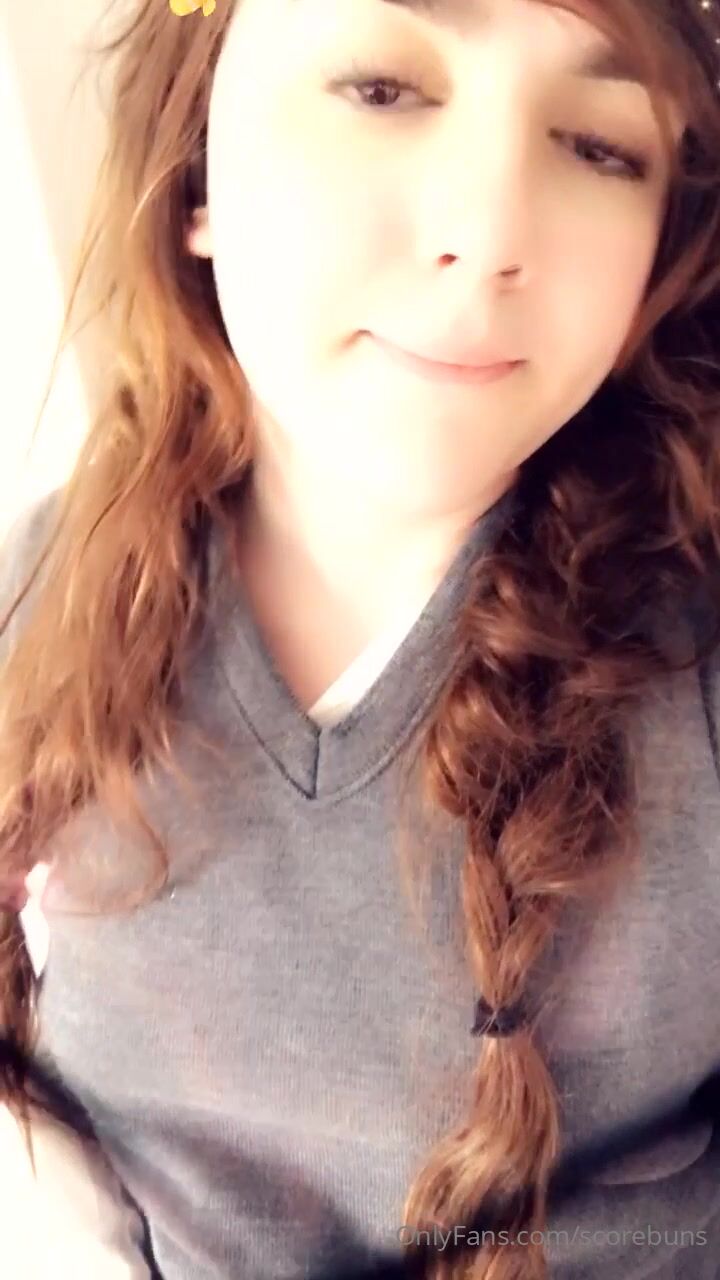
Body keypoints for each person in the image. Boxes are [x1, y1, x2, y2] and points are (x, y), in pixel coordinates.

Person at [1, 0, 720, 1276]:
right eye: (384, 88)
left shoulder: (691, 660)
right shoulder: (46, 586)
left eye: (600, 147)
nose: (490, 236)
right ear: (195, 165)